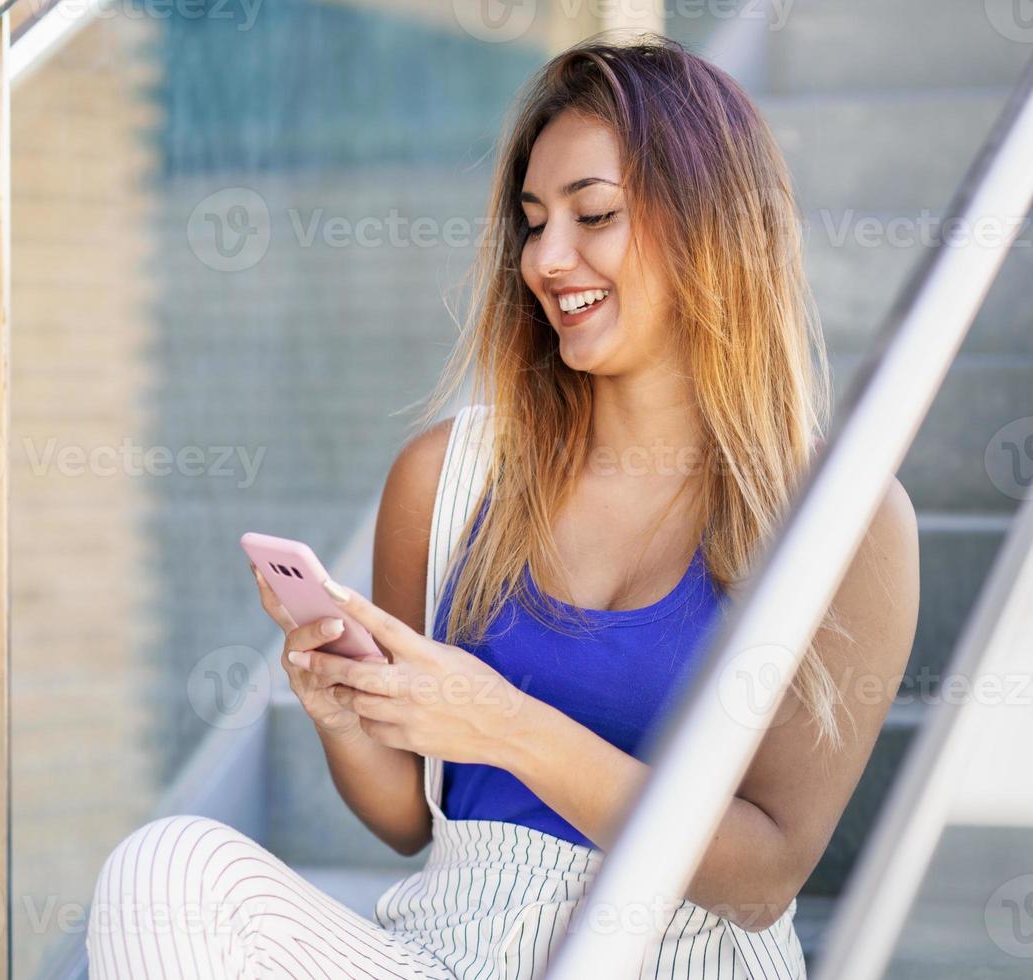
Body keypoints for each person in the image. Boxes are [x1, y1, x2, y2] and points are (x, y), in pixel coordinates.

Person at [86, 31, 920, 979]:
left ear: (713, 229)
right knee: (165, 868)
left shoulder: (843, 522)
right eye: (532, 220)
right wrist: (346, 716)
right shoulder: (447, 479)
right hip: (450, 949)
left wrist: (500, 722)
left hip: (682, 961)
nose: (546, 258)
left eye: (593, 214)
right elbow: (405, 819)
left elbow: (762, 879)